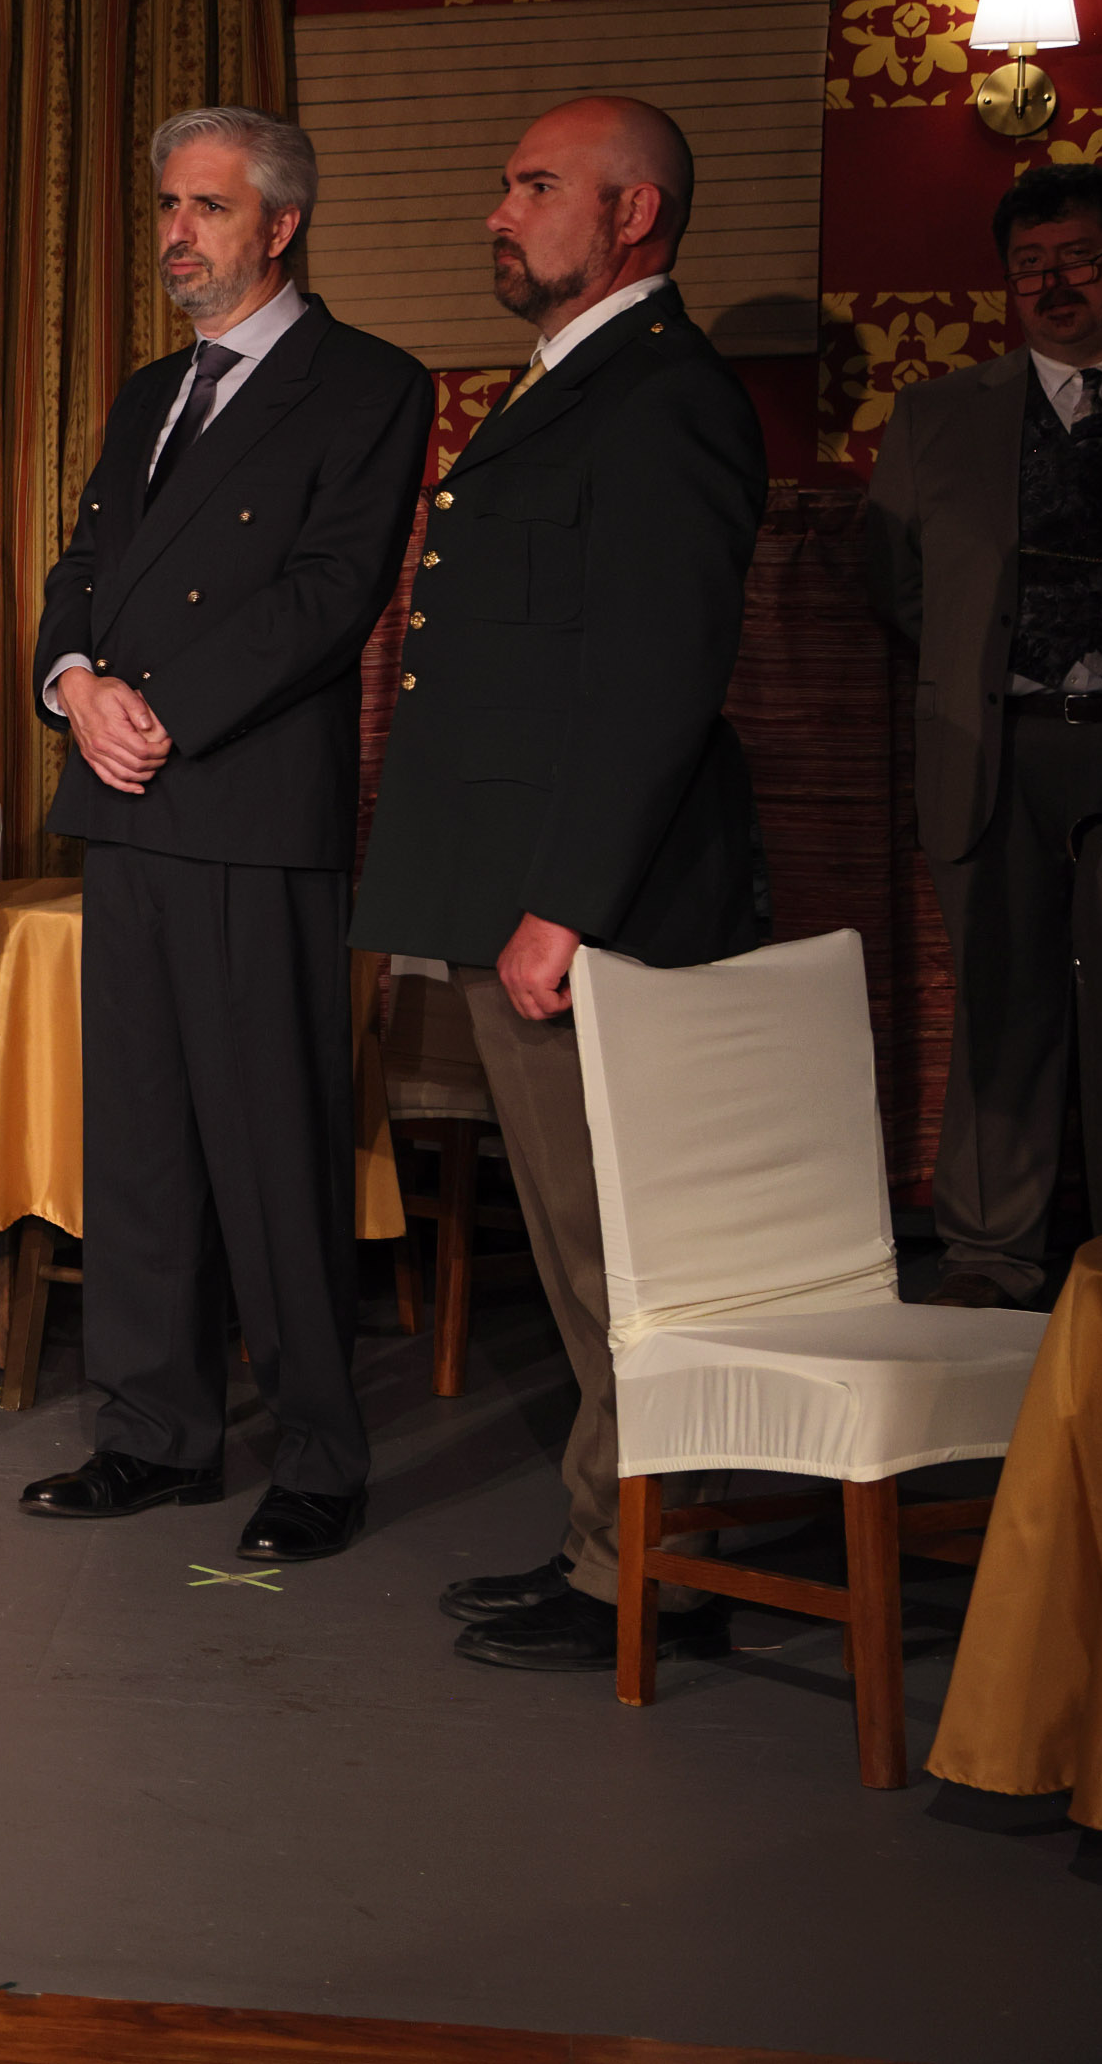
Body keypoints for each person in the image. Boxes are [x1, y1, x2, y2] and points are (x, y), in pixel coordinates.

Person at [350, 94, 768, 1672]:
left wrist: (565, 905)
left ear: (632, 214)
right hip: (522, 890)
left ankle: (655, 1573)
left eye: (535, 186)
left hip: (586, 908)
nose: (499, 211)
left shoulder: (665, 395)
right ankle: (620, 1544)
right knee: (587, 1255)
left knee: (622, 1258)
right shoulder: (579, 383)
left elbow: (656, 677)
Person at [16, 108, 430, 1564]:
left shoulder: (368, 382)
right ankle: (151, 1434)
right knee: (137, 1143)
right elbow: (84, 566)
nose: (176, 233)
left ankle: (317, 1455)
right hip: (124, 794)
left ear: (281, 223)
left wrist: (164, 713)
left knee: (272, 1147)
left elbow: (330, 592)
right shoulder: (150, 392)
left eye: (205, 207)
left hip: (247, 802)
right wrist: (76, 684)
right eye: (166, 207)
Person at [861, 163, 1102, 1302]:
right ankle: (989, 1255)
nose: (1054, 285)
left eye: (1079, 260)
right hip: (996, 749)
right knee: (1002, 1006)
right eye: (1029, 267)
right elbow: (898, 581)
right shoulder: (937, 415)